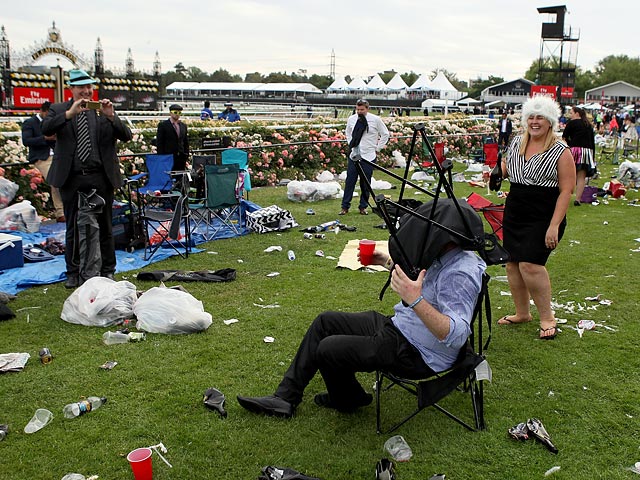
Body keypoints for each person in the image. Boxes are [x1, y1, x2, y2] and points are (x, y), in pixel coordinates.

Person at [237, 201, 486, 418]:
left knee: (329, 349)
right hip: (402, 327)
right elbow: (420, 284)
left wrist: (415, 300)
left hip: (418, 353)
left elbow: (455, 336)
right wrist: (386, 262)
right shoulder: (445, 256)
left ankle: (348, 398)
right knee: (326, 322)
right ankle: (285, 398)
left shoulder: (460, 273)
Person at [41, 69, 132, 289]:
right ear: (72, 88)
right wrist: (69, 114)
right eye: (81, 87)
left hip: (101, 176)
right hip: (72, 177)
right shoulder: (60, 109)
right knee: (73, 226)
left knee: (105, 226)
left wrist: (111, 116)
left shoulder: (102, 110)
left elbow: (126, 135)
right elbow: (46, 129)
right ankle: (73, 272)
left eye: (89, 87)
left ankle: (107, 270)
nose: (86, 91)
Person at [497, 95, 575, 339]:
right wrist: (495, 171)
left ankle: (547, 317)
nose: (535, 121)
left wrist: (554, 225)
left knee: (531, 264)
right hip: (515, 210)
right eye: (531, 116)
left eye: (540, 117)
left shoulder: (561, 151)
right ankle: (522, 313)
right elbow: (508, 170)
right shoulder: (517, 142)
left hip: (543, 214)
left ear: (550, 121)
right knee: (512, 264)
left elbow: (566, 191)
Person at [339, 99, 389, 216]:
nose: (360, 112)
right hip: (354, 154)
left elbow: (385, 134)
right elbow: (348, 132)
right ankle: (345, 207)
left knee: (366, 182)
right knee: (350, 181)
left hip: (368, 155)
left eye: (362, 110)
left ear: (367, 108)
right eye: (358, 109)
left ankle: (363, 206)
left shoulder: (376, 120)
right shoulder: (352, 119)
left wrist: (378, 148)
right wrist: (351, 144)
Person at [21, 101, 65, 222]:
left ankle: (70, 209)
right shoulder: (30, 123)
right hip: (42, 158)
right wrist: (45, 138)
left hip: (59, 155)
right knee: (55, 179)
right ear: (43, 111)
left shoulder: (54, 122)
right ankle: (60, 212)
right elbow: (26, 140)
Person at [562, 106, 596, 205]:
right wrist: (592, 157)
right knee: (581, 176)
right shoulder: (588, 124)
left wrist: (569, 143)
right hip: (587, 151)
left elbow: (564, 137)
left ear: (577, 114)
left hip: (574, 150)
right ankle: (578, 199)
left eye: (571, 113)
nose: (570, 115)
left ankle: (565, 196)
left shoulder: (572, 123)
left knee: (568, 175)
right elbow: (592, 141)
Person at [156, 104, 189, 171]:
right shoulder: (163, 125)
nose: (177, 114)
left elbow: (185, 142)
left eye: (179, 113)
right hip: (168, 157)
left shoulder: (183, 126)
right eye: (175, 112)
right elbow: (159, 142)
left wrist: (186, 154)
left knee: (180, 178)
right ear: (170, 113)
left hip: (181, 158)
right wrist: (161, 157)